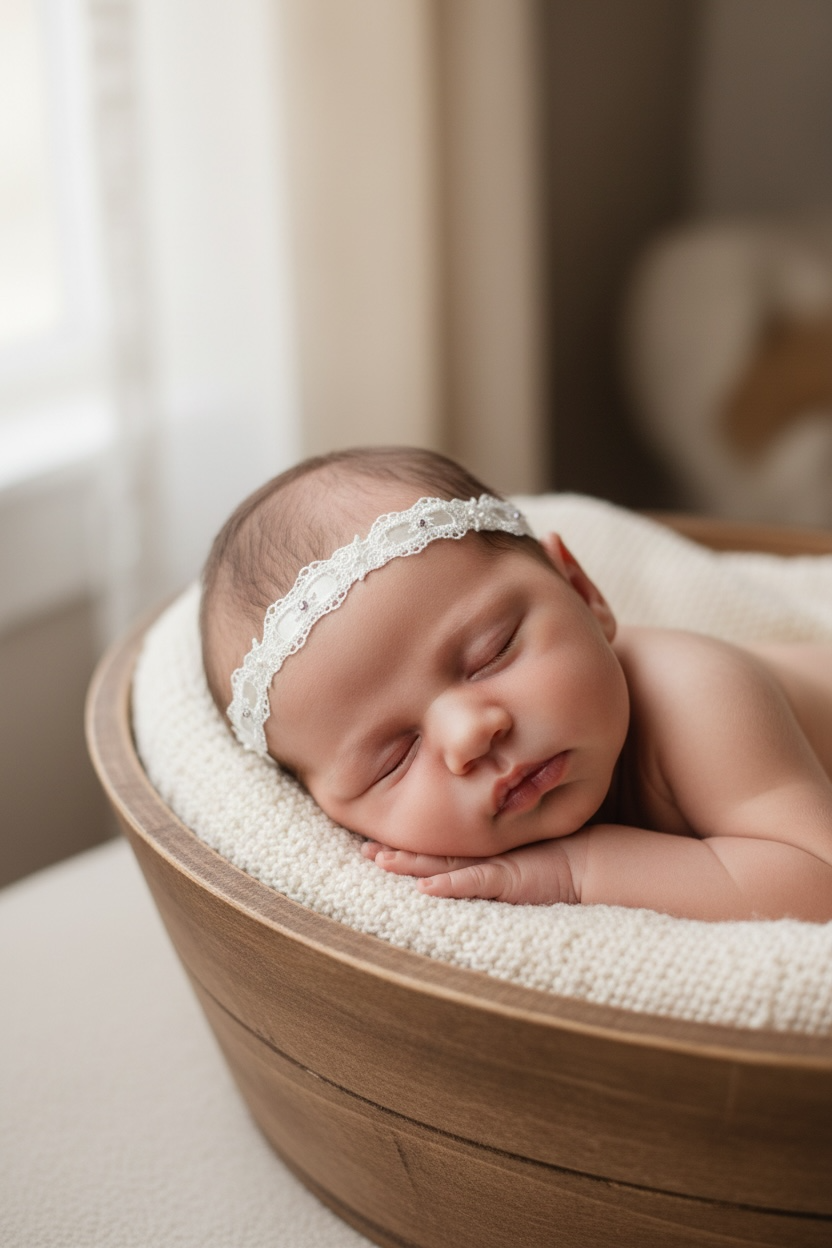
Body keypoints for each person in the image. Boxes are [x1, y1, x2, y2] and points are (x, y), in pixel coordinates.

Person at [200, 446, 832, 922]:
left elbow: (816, 880)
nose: (470, 735)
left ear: (582, 591)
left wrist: (577, 871)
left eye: (492, 654)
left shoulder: (698, 692)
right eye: (393, 759)